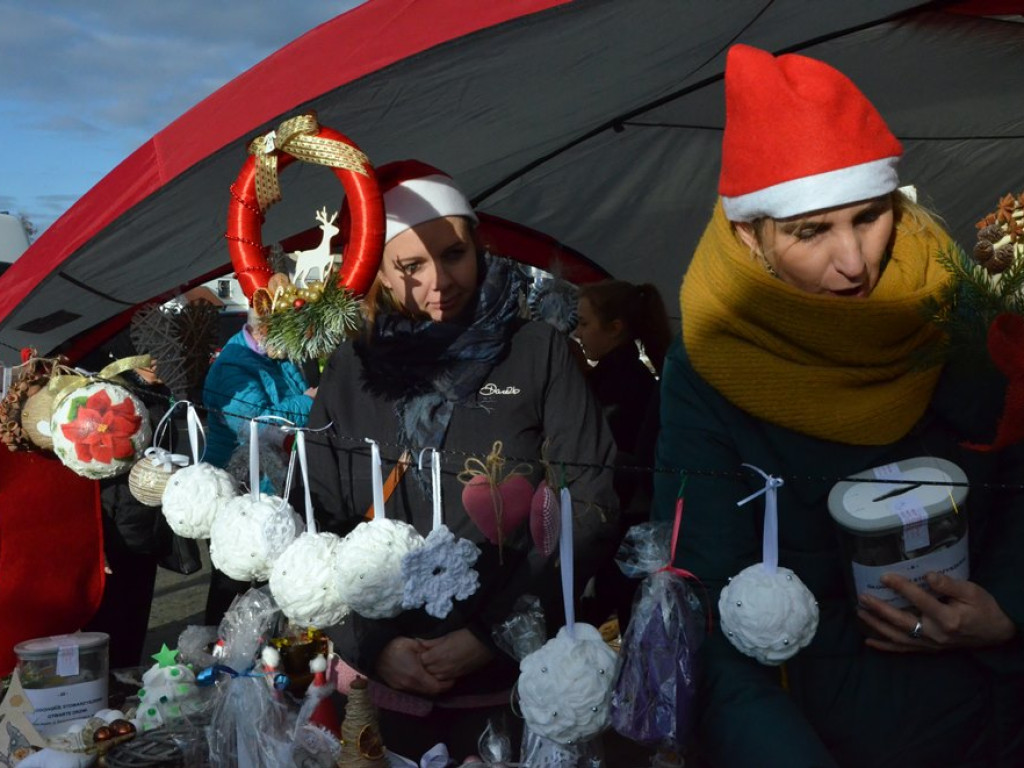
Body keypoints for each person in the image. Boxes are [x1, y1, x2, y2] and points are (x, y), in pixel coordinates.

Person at [653, 44, 1024, 768]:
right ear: (748, 235)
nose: (854, 261)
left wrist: (1010, 611)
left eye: (868, 216)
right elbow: (707, 608)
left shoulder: (960, 315)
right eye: (810, 231)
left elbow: (1021, 487)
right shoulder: (705, 370)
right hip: (824, 737)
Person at [305, 160, 619, 761]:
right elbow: (320, 516)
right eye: (411, 266)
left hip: (522, 681)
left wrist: (495, 633)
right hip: (390, 688)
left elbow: (590, 497)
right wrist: (372, 644)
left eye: (454, 255)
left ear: (478, 246)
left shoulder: (534, 350)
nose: (440, 281)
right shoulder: (353, 366)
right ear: (376, 272)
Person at [201, 314, 317, 625]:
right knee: (234, 582)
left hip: (271, 489)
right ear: (263, 328)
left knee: (268, 584)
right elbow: (256, 427)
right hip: (240, 493)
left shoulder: (276, 356)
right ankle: (218, 655)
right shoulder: (232, 366)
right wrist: (309, 403)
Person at [574, 280, 670, 628]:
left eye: (584, 323)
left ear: (615, 328)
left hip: (619, 520)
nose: (578, 332)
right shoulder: (620, 377)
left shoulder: (624, 383)